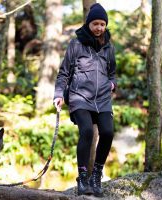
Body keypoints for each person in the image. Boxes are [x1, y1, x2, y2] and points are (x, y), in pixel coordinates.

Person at [53, 3, 116, 197]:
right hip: (79, 97)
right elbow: (64, 72)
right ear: (89, 24)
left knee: (107, 132)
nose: (99, 28)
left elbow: (112, 72)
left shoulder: (109, 46)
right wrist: (58, 94)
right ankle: (82, 178)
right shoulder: (76, 44)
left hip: (103, 98)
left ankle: (96, 174)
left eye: (102, 24)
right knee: (87, 131)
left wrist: (112, 84)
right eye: (95, 23)